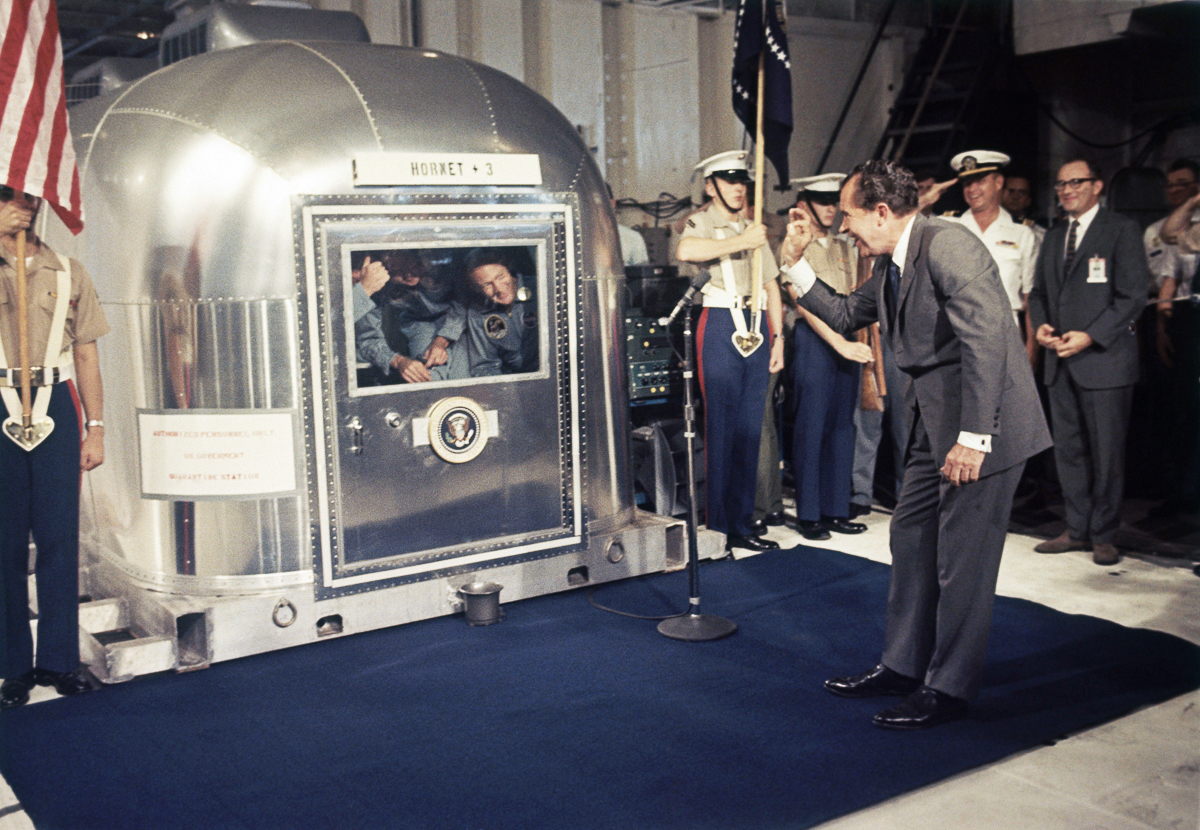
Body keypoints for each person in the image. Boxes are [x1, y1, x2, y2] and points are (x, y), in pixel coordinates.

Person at [779, 159, 1051, 729]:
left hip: (986, 428)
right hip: (938, 424)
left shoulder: (947, 245)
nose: (845, 228)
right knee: (910, 538)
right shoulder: (895, 260)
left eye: (850, 217)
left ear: (882, 212)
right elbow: (850, 312)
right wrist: (795, 266)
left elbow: (987, 342)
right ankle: (903, 666)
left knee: (961, 562)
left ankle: (947, 688)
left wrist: (975, 439)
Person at [0, 187, 107, 708]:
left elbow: (86, 354)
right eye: (6, 196)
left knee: (60, 539)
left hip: (56, 407)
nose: (23, 205)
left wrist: (97, 425)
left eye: (27, 196)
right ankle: (13, 666)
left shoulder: (68, 271)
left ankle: (59, 661)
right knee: (4, 543)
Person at [1028, 159, 1150, 566]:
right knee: (1070, 452)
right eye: (1061, 184)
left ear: (1096, 186)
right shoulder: (1054, 235)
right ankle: (1076, 529)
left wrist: (1091, 336)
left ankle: (1104, 534)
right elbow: (1040, 292)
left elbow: (1132, 296)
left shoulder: (1121, 230)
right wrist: (1042, 326)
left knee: (1107, 453)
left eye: (1075, 182)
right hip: (1059, 361)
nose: (1066, 190)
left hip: (1104, 361)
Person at [676, 151, 785, 555]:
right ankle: (718, 530)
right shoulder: (703, 222)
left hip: (758, 328)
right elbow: (685, 251)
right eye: (729, 179)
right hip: (721, 324)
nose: (738, 187)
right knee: (720, 432)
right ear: (711, 186)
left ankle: (742, 524)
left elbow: (773, 285)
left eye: (743, 181)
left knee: (749, 433)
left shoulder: (752, 227)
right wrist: (744, 241)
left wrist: (779, 340)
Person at [779, 173, 874, 540]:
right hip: (815, 340)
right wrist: (839, 344)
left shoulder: (843, 245)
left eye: (835, 202)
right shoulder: (795, 244)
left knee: (841, 427)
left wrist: (852, 341)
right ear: (804, 204)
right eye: (823, 202)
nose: (832, 209)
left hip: (847, 338)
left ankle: (836, 508)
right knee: (811, 427)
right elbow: (803, 305)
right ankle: (809, 514)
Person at [464, 248, 538, 376]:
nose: (498, 288)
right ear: (476, 288)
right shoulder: (478, 315)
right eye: (487, 284)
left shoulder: (541, 287)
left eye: (500, 276)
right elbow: (484, 367)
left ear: (510, 271)